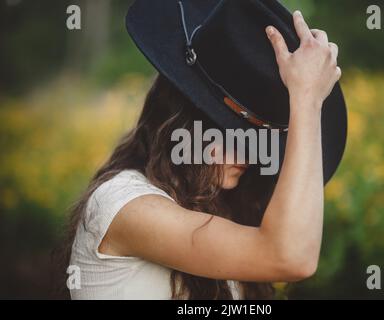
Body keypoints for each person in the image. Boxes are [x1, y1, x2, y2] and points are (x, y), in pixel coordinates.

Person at [64, 3, 342, 300]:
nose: (249, 155)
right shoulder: (122, 204)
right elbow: (290, 256)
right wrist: (307, 98)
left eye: (255, 138)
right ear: (183, 125)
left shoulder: (218, 204)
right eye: (230, 132)